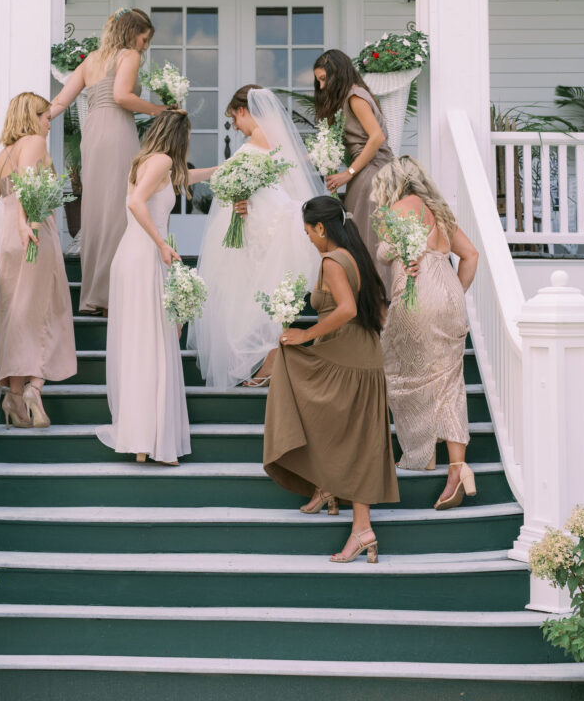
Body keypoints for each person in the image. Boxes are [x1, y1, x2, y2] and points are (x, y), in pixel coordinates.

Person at [263, 195, 398, 563]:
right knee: (355, 438)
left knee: (289, 362)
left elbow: (348, 309)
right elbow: (378, 312)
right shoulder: (356, 256)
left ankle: (344, 507)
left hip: (349, 356)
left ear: (321, 228)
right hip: (363, 355)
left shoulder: (331, 260)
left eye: (308, 231)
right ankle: (351, 514)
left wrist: (306, 336)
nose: (308, 238)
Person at [97, 110, 215, 465]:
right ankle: (147, 438)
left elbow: (186, 177)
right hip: (145, 254)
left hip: (134, 255)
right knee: (151, 342)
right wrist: (161, 244)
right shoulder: (161, 160)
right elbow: (135, 204)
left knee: (143, 343)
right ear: (179, 135)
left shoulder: (152, 162)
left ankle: (142, 440)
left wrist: (224, 169)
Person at [189, 85, 325, 390]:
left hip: (264, 219)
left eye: (235, 118)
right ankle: (268, 357)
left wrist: (245, 196)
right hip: (252, 217)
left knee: (259, 287)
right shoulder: (272, 140)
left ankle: (271, 358)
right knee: (252, 288)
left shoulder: (261, 140)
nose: (235, 126)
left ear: (243, 110)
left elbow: (280, 179)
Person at [372, 156, 479, 511]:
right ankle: (457, 469)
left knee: (399, 373)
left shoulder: (398, 208)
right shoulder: (439, 211)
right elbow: (471, 255)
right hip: (449, 293)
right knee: (451, 382)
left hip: (418, 292)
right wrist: (453, 295)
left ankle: (419, 451)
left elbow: (391, 252)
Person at [50, 8, 168, 316]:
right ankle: (111, 296)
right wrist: (158, 110)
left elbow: (61, 101)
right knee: (119, 208)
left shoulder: (91, 60)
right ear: (132, 33)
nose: (144, 46)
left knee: (96, 210)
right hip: (116, 132)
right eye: (144, 39)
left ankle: (92, 295)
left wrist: (35, 120)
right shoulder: (128, 56)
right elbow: (121, 96)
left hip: (93, 133)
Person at [0, 91, 76, 429]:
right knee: (49, 310)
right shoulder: (33, 141)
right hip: (33, 232)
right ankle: (35, 386)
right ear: (32, 118)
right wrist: (24, 220)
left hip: (9, 242)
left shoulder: (3, 156)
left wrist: (4, 211)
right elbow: (26, 185)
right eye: (46, 116)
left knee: (18, 315)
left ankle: (14, 398)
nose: (49, 123)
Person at [313, 49, 393, 284]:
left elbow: (377, 137)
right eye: (318, 80)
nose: (320, 87)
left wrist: (347, 174)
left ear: (337, 74)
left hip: (372, 173)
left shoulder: (355, 97)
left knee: (368, 243)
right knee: (363, 241)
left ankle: (376, 304)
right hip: (365, 172)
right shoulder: (351, 97)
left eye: (324, 79)